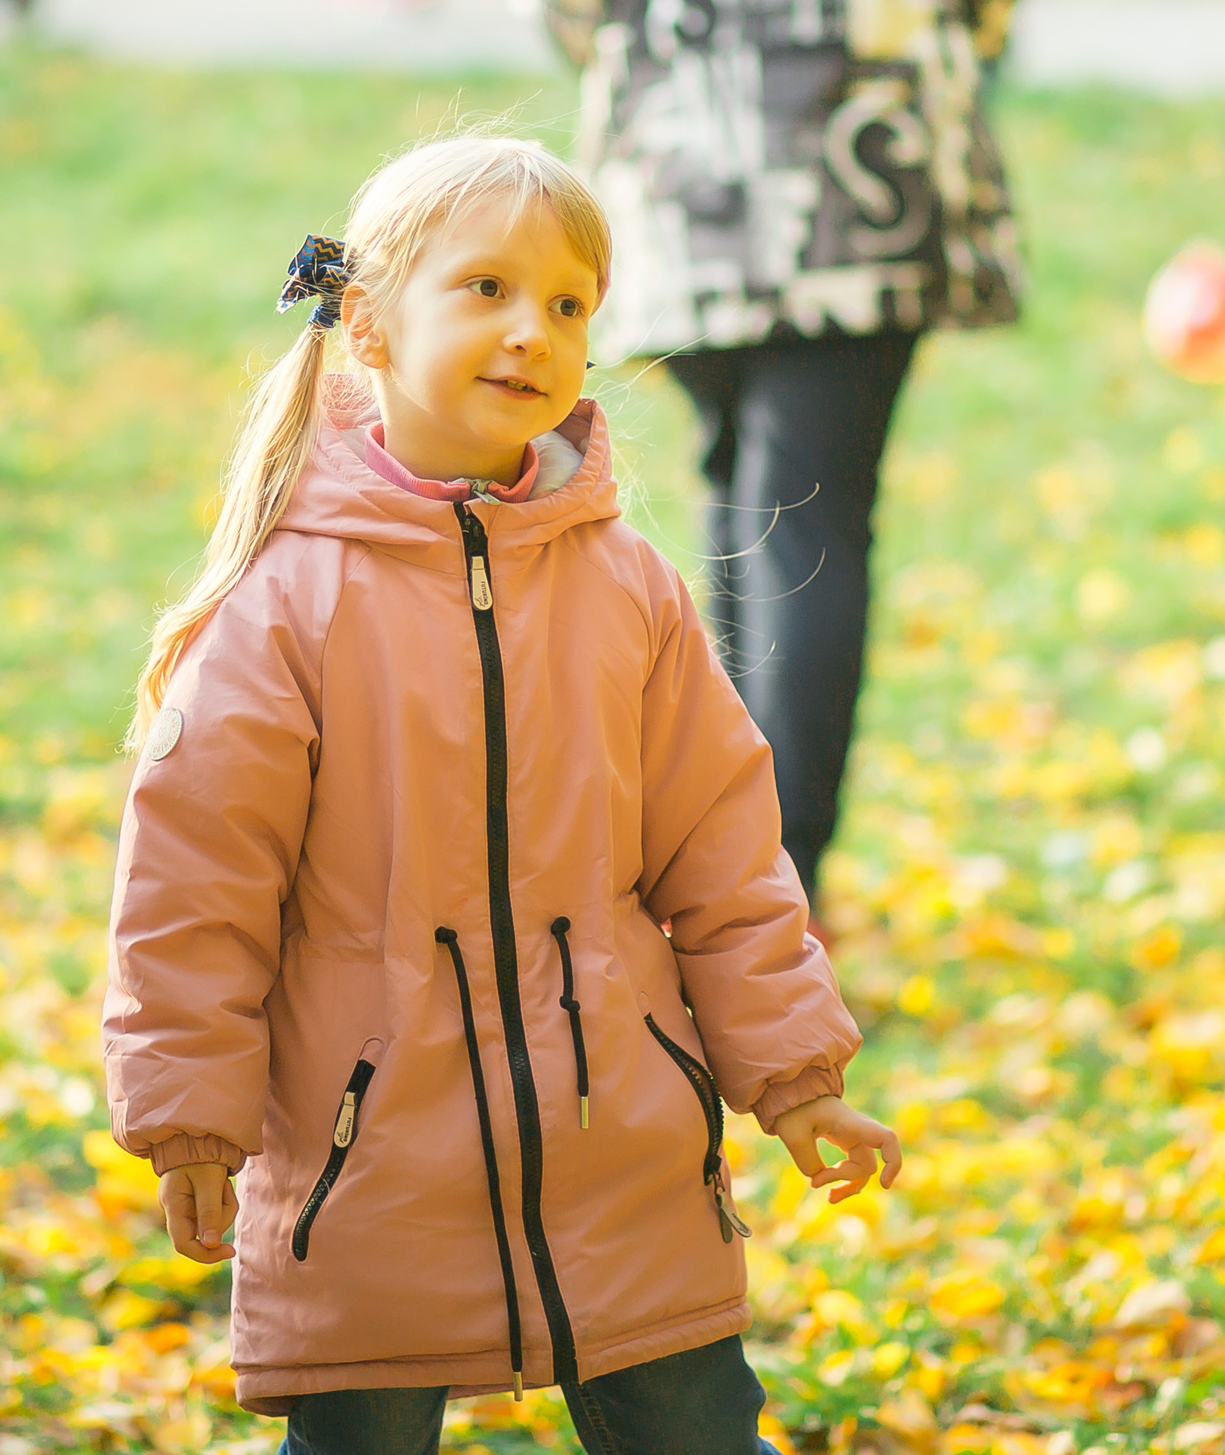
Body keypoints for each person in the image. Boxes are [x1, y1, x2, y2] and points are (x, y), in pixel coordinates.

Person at [102, 135, 900, 1455]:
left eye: (569, 303)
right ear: (367, 320)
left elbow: (723, 852)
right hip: (367, 1155)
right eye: (485, 288)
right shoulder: (286, 605)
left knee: (696, 1427)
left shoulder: (626, 582)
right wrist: (190, 1110)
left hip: (620, 1138)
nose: (532, 327)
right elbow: (195, 878)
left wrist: (796, 1069)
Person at [526, 0, 1029, 924]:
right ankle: (775, 886)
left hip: (684, 205)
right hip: (871, 198)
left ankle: (734, 873)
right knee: (810, 512)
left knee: (745, 499)